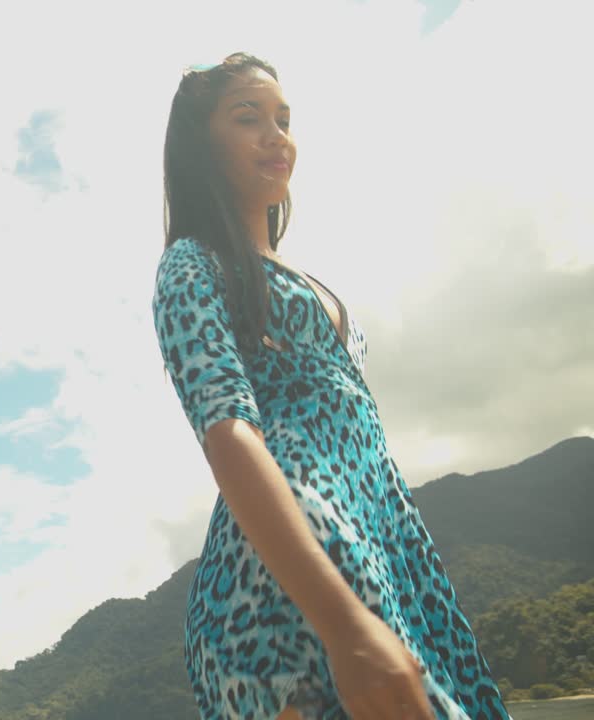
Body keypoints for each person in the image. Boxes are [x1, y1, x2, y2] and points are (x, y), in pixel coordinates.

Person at [151, 52, 512, 720]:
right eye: (248, 117)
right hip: (289, 580)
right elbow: (227, 430)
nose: (276, 134)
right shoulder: (193, 264)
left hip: (384, 541)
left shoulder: (302, 276)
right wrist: (343, 624)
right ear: (203, 142)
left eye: (284, 118)